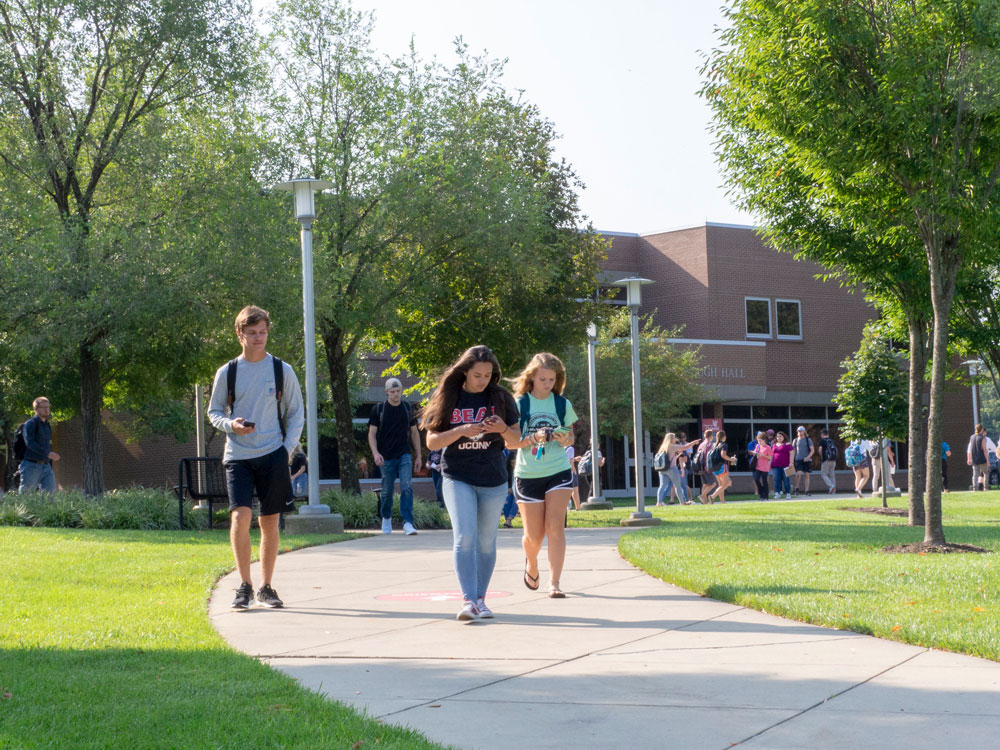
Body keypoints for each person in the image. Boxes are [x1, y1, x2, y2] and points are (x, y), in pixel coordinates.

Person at [208, 305, 304, 611]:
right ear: (240, 334)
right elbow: (214, 412)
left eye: (263, 332)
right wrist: (232, 425)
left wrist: (286, 449)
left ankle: (265, 587)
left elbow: (295, 413)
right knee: (240, 515)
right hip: (238, 455)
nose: (259, 338)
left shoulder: (281, 370)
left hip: (273, 453)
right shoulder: (228, 371)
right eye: (252, 333)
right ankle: (244, 586)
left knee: (269, 521)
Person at [423, 345, 520, 621]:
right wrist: (461, 431)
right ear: (465, 372)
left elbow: (515, 440)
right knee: (465, 537)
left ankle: (481, 599)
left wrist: (501, 428)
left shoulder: (501, 397)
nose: (483, 380)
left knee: (486, 542)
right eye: (477, 375)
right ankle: (468, 600)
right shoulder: (448, 396)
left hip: (493, 479)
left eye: (488, 375)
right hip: (457, 476)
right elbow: (431, 441)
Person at [510, 353, 579, 599]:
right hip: (528, 473)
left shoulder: (561, 404)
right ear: (531, 377)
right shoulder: (520, 404)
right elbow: (511, 442)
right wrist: (535, 437)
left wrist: (564, 437)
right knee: (534, 536)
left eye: (551, 379)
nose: (547, 384)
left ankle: (555, 582)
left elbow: (571, 437)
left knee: (555, 528)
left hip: (558, 470)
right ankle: (532, 563)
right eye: (542, 379)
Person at [369, 377, 422, 535]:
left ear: (402, 391)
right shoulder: (379, 409)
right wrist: (375, 453)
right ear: (386, 393)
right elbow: (371, 434)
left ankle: (408, 523)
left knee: (407, 487)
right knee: (387, 490)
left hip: (404, 453)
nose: (395, 394)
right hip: (386, 456)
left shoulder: (407, 408)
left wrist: (418, 455)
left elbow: (414, 432)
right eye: (392, 392)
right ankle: (386, 518)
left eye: (398, 391)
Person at [18, 396, 60, 493]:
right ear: (36, 410)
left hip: (46, 465)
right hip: (31, 465)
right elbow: (30, 443)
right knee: (26, 497)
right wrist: (48, 454)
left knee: (51, 496)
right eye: (43, 407)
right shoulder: (30, 424)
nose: (46, 410)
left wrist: (47, 455)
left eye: (48, 407)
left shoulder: (47, 425)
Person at [654, 432, 700, 506]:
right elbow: (685, 447)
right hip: (672, 469)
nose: (675, 439)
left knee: (662, 486)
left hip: (662, 469)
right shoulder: (673, 446)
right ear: (671, 439)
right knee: (677, 485)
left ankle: (658, 502)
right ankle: (682, 502)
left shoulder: (662, 447)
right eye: (674, 437)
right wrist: (694, 442)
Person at [706, 429, 737, 503]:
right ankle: (712, 496)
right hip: (722, 466)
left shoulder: (714, 445)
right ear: (724, 437)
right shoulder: (724, 445)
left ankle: (723, 502)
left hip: (714, 468)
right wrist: (731, 459)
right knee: (725, 484)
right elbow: (723, 455)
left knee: (721, 485)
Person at [967, 424, 995, 492]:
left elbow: (970, 449)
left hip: (974, 459)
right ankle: (985, 488)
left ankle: (975, 489)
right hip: (982, 458)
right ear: (982, 430)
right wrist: (987, 460)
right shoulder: (983, 438)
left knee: (975, 474)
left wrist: (969, 458)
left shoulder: (972, 437)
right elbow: (984, 450)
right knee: (986, 472)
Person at [695, 429, 717, 503]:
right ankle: (702, 495)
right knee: (713, 483)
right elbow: (708, 457)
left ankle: (704, 502)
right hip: (706, 467)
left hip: (700, 467)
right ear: (711, 436)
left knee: (705, 484)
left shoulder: (701, 444)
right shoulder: (709, 445)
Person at [770, 431, 794, 499]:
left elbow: (792, 453)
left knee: (786, 479)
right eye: (777, 436)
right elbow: (771, 455)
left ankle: (788, 493)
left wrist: (791, 463)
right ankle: (777, 493)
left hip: (785, 465)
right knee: (776, 479)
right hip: (775, 465)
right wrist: (769, 464)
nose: (779, 438)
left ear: (784, 437)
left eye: (780, 436)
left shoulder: (787, 444)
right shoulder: (774, 444)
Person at [791, 426, 815, 496]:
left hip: (807, 460)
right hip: (798, 459)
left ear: (804, 431)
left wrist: (808, 457)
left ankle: (807, 490)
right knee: (798, 474)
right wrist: (792, 461)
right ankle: (797, 488)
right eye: (798, 431)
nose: (799, 432)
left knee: (807, 475)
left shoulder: (808, 440)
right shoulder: (795, 440)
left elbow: (812, 450)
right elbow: (793, 451)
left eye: (801, 431)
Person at [749, 430, 772, 500]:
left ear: (764, 440)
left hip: (765, 467)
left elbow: (769, 458)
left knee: (765, 481)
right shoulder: (757, 446)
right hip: (758, 466)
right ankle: (761, 492)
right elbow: (754, 453)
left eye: (760, 440)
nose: (759, 442)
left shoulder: (768, 447)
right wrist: (754, 453)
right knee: (756, 479)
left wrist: (762, 455)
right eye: (758, 440)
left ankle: (766, 496)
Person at [817, 428, 838, 495]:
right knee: (832, 474)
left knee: (824, 474)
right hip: (833, 459)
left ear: (822, 434)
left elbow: (820, 449)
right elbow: (836, 450)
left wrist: (821, 456)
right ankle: (833, 491)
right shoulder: (832, 441)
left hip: (826, 459)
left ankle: (831, 486)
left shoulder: (822, 441)